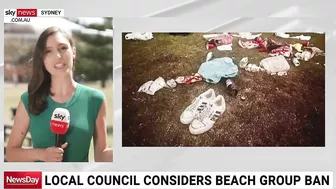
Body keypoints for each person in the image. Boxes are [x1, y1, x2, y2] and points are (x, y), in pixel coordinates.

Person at [5, 26, 113, 162]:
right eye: (48, 51)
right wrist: (42, 154)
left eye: (63, 48)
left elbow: (101, 154)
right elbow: (11, 153)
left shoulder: (95, 99)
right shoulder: (29, 100)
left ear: (73, 51)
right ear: (42, 59)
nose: (58, 56)